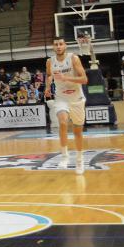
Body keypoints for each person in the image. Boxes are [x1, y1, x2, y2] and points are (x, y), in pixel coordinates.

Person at [45, 36, 89, 175]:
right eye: (55, 44)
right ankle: (64, 156)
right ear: (53, 47)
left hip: (76, 98)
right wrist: (47, 87)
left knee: (77, 132)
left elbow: (84, 79)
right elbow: (49, 76)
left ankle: (79, 159)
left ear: (65, 46)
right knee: (63, 122)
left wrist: (66, 78)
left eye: (61, 44)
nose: (58, 46)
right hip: (61, 97)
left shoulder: (73, 59)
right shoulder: (49, 61)